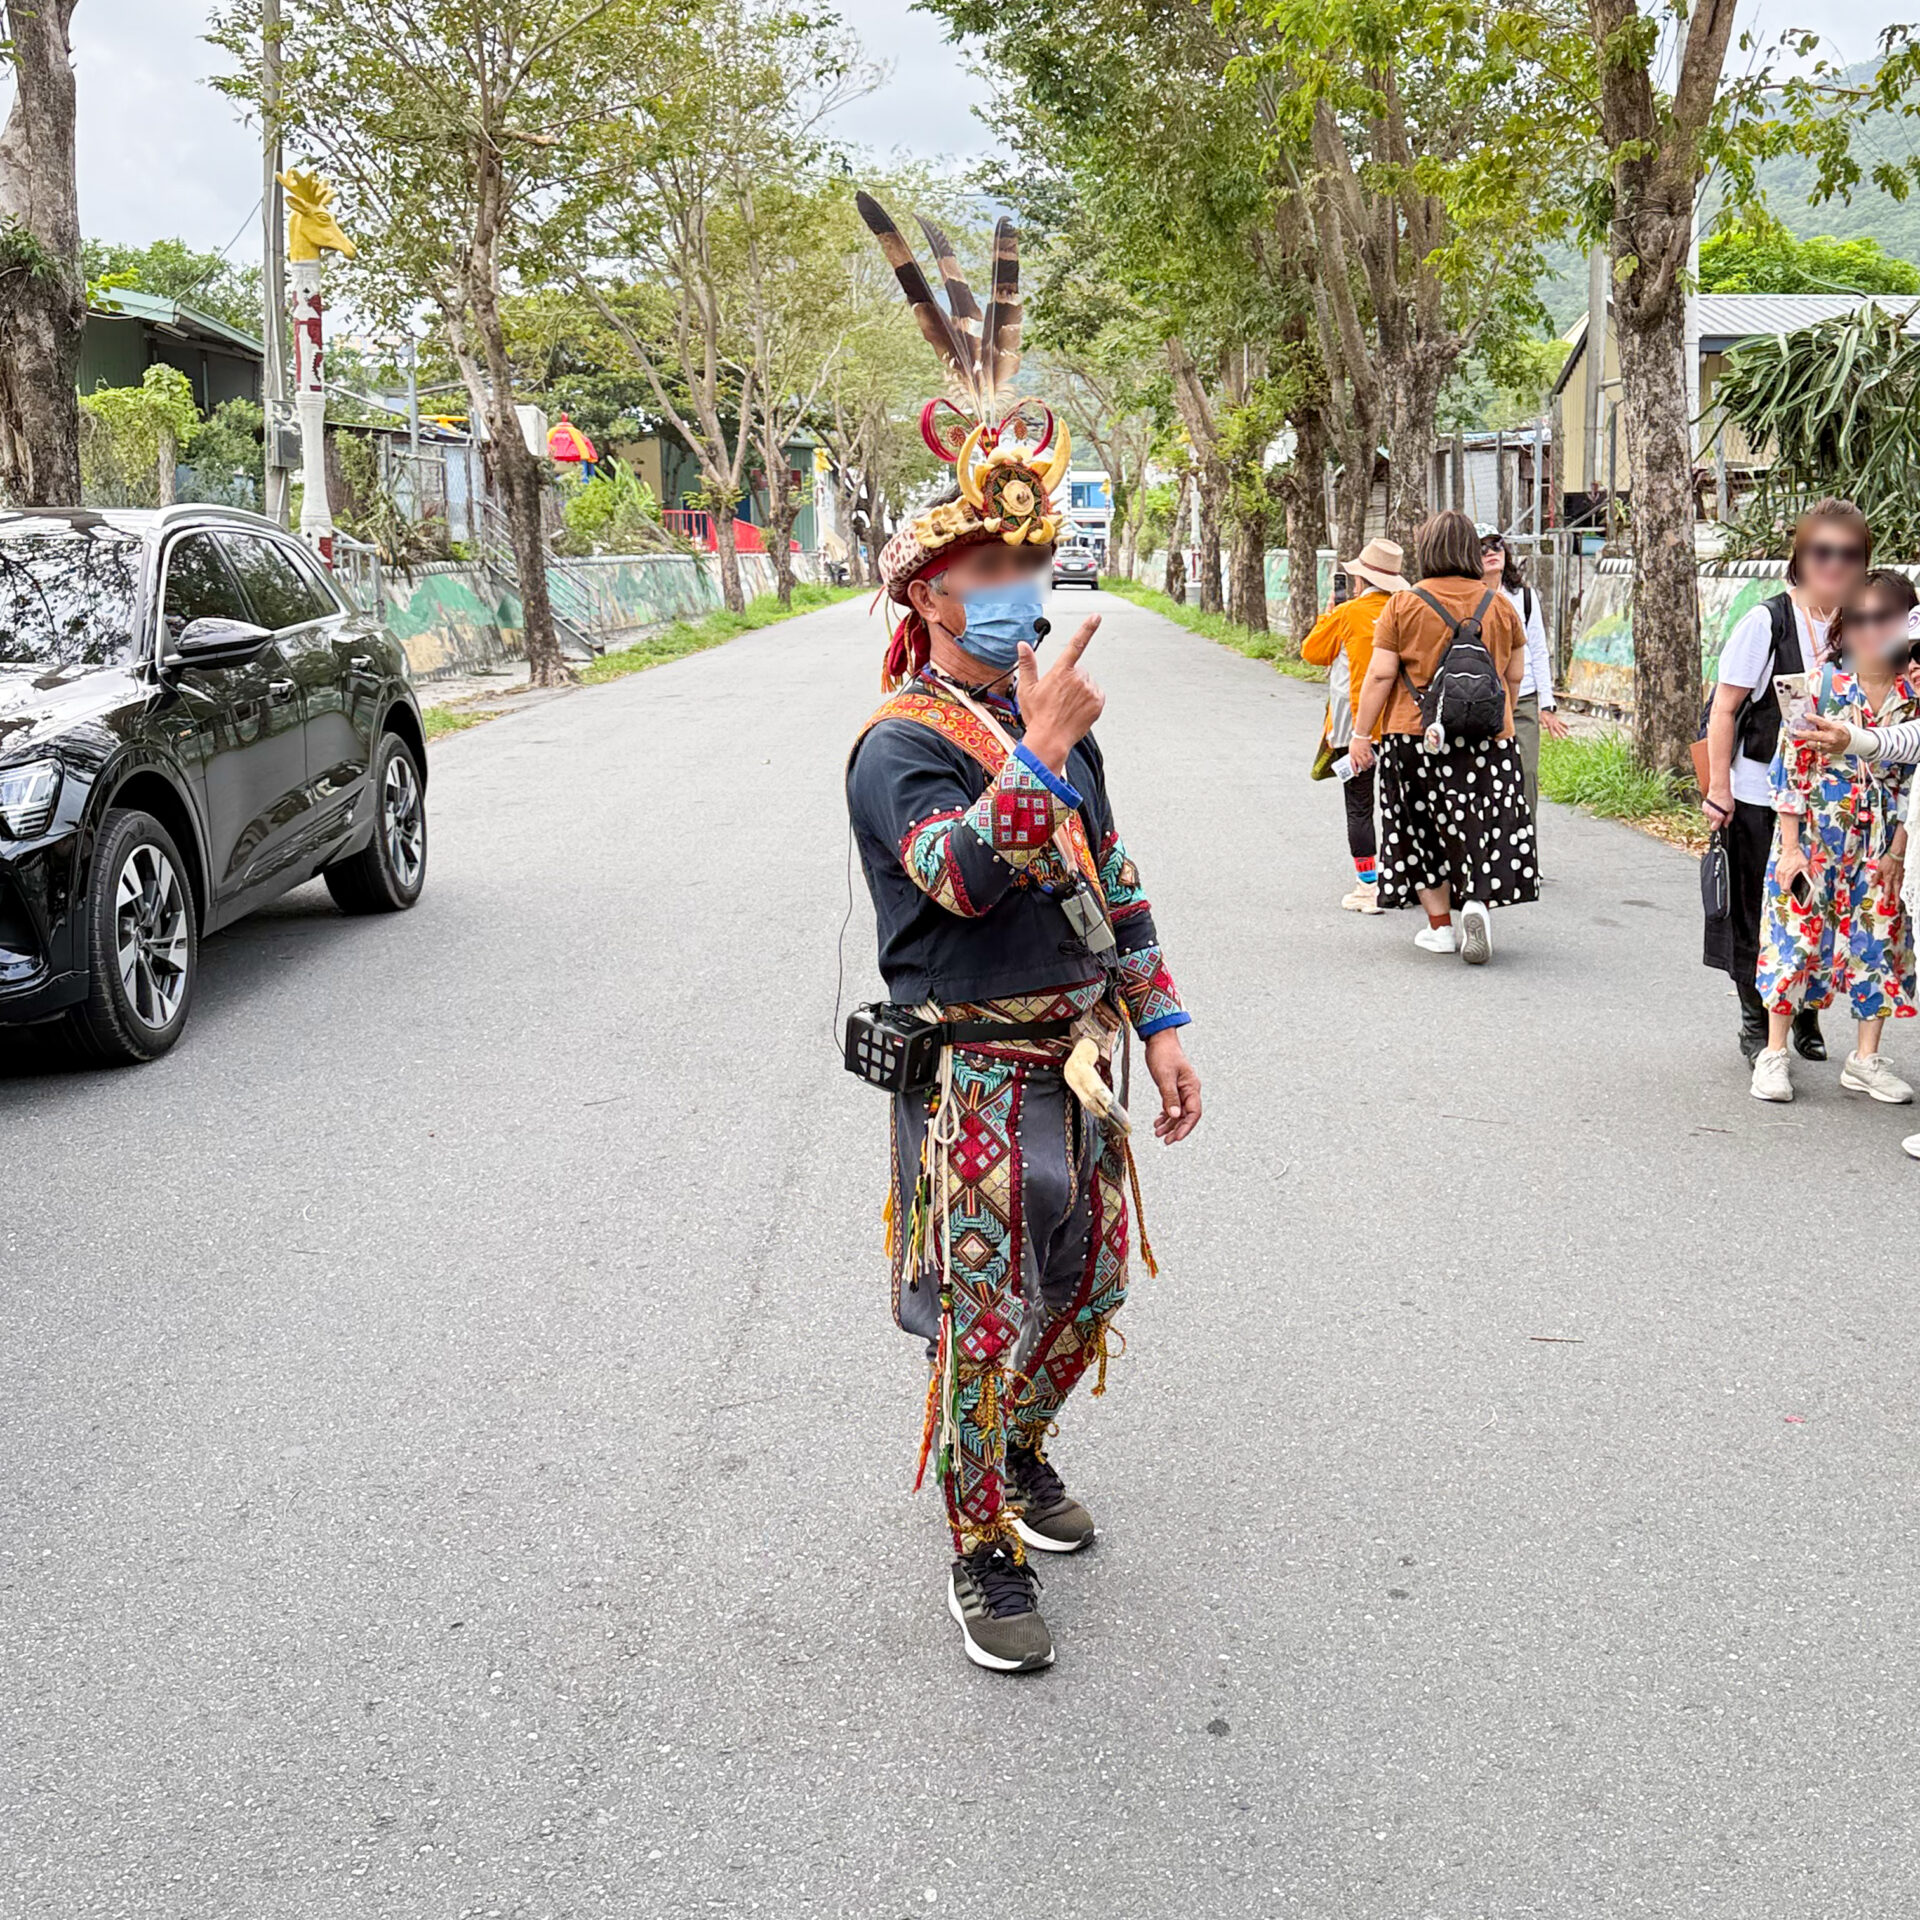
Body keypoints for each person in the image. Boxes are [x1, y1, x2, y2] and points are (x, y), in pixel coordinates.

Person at [845, 190, 1202, 1676]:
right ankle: (976, 1537)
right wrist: (1037, 747)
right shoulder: (900, 744)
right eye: (989, 576)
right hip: (975, 1076)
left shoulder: (1050, 721)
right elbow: (963, 882)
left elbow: (1108, 877)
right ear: (929, 593)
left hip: (1086, 1056)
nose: (1016, 595)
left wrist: (1168, 1024)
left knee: (1092, 1287)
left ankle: (1025, 1455)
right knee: (983, 1317)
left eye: (1029, 572)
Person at [1702, 499, 1870, 1062]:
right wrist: (1719, 789)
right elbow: (1723, 709)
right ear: (1802, 556)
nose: (1835, 565)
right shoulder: (1767, 621)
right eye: (1823, 552)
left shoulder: (1864, 624)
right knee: (1757, 911)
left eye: (1848, 554)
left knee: (1819, 909)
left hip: (1833, 803)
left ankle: (1805, 1011)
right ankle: (1756, 1020)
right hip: (1758, 792)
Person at [1750, 568, 1919, 1103]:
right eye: (1861, 618)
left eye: (1885, 619)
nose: (1872, 632)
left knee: (1880, 942)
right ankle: (1773, 1053)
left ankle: (1865, 1059)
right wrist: (1791, 846)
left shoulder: (1913, 696)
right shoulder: (1815, 687)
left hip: (1882, 838)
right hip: (1817, 835)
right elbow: (1790, 768)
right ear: (1844, 627)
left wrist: (1898, 850)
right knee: (1793, 938)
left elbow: (1915, 782)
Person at [1348, 509, 1536, 965]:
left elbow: (1379, 675)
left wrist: (1360, 734)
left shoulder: (1404, 604)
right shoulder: (1501, 605)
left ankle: (1440, 929)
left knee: (1419, 829)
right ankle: (1476, 904)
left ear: (1427, 551)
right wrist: (1497, 721)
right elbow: (1514, 675)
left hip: (1415, 736)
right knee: (1482, 826)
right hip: (1490, 740)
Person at [1301, 537, 1410, 913]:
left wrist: (1328, 613)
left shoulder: (1348, 614)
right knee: (1402, 806)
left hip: (1354, 728)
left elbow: (1312, 652)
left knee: (1360, 807)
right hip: (1401, 724)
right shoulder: (1408, 608)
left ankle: (1368, 887)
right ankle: (1406, 880)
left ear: (1360, 580)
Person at [1477, 525, 1569, 817]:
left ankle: (1526, 853)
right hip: (1481, 702)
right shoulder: (1465, 597)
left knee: (1526, 777)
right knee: (1485, 784)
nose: (1491, 552)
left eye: (1496, 545)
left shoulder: (1524, 597)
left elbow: (1539, 651)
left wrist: (1546, 705)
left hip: (1523, 701)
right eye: (1482, 548)